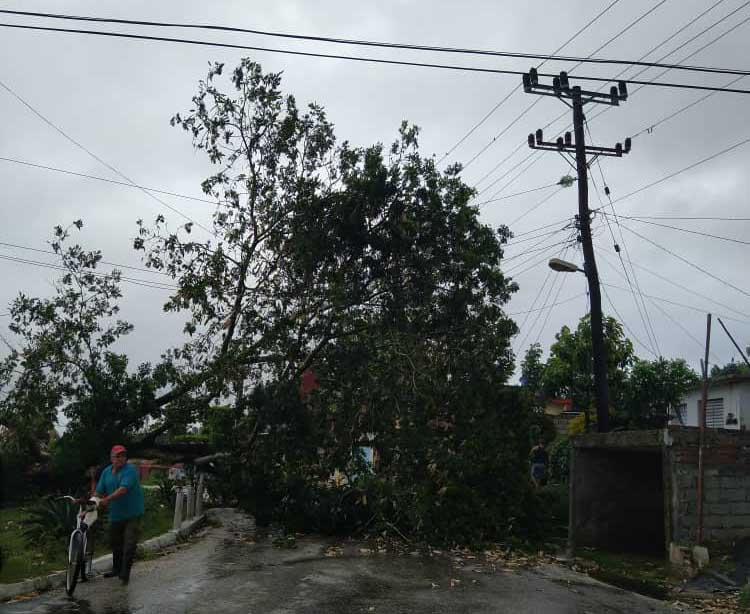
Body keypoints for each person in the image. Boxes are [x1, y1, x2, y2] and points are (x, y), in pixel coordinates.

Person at [94, 444, 144, 584]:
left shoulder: (130, 470)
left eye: (123, 455)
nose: (121, 458)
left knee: (129, 543)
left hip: (132, 513)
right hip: (116, 514)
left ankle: (125, 573)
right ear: (112, 458)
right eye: (118, 456)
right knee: (116, 543)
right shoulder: (106, 472)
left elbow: (123, 490)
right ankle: (116, 569)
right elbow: (99, 491)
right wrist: (92, 501)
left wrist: (107, 500)